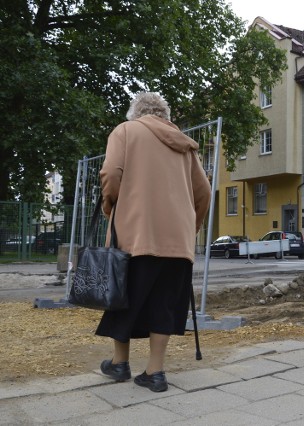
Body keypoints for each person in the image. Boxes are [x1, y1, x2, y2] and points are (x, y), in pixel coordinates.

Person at [96, 92, 211, 392]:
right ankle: (155, 373)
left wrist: (111, 207)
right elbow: (205, 193)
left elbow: (110, 172)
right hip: (178, 241)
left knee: (122, 298)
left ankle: (120, 363)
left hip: (135, 234)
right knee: (165, 304)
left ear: (136, 113)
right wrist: (192, 226)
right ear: (165, 115)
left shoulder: (125, 131)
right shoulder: (185, 144)